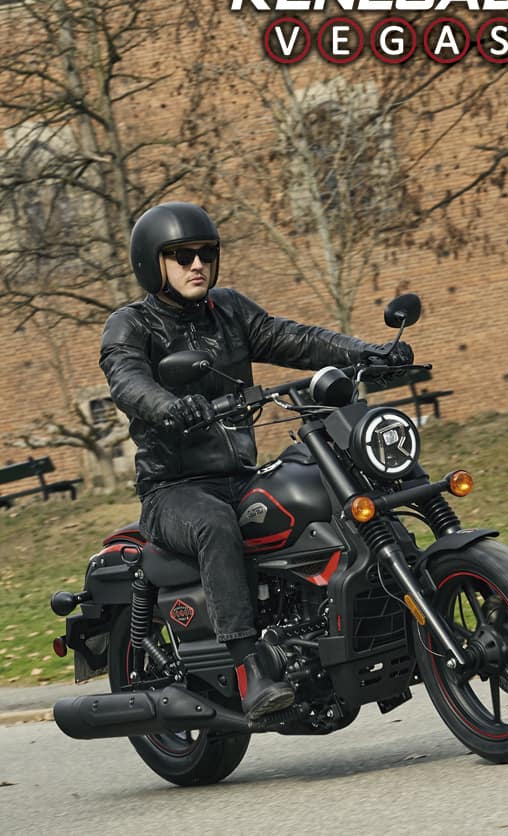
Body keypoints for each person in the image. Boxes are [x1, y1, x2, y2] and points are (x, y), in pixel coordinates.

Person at [100, 201, 413, 720]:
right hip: (173, 491)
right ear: (152, 264)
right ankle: (250, 669)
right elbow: (128, 381)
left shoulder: (229, 310)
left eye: (205, 254)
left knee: (323, 483)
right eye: (181, 256)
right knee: (214, 524)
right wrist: (170, 407)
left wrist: (368, 353)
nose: (196, 264)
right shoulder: (130, 325)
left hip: (240, 477)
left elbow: (297, 339)